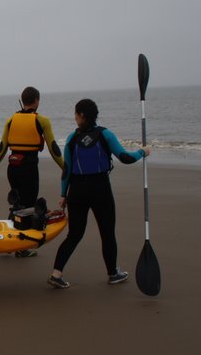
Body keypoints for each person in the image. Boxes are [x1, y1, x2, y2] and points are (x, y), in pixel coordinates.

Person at [47, 98, 150, 289]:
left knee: (75, 234)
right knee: (107, 233)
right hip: (100, 188)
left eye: (76, 114)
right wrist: (142, 152)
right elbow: (125, 158)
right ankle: (113, 274)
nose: (75, 118)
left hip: (76, 191)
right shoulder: (105, 134)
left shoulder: (72, 138)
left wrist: (63, 194)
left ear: (82, 115)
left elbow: (66, 170)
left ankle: (56, 273)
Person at [0, 86, 65, 257]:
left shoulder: (10, 120)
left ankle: (8, 239)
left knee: (17, 204)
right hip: (28, 169)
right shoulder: (41, 120)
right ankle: (21, 248)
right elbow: (53, 147)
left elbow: (2, 146)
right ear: (36, 101)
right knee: (28, 207)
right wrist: (65, 168)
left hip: (12, 169)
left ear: (23, 100)